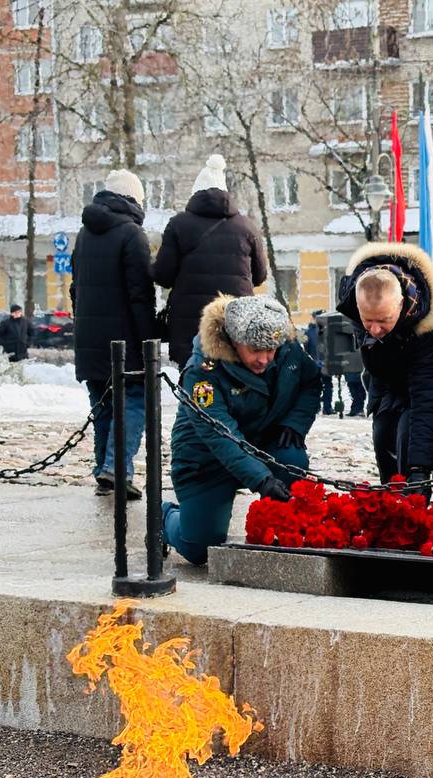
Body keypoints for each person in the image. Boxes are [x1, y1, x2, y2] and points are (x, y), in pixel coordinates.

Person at [164, 294, 320, 565]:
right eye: (255, 350)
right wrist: (262, 480)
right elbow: (221, 435)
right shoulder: (202, 371)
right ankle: (165, 517)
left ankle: (283, 528)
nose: (264, 359)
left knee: (291, 458)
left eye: (270, 350)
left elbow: (311, 381)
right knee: (199, 548)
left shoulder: (285, 348)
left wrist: (295, 423)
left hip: (263, 442)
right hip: (207, 458)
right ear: (234, 341)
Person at [71, 169, 157, 500]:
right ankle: (116, 470)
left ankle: (105, 470)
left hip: (89, 338)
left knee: (103, 407)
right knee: (134, 402)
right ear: (132, 199)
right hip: (125, 341)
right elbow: (140, 295)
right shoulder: (132, 234)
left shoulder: (84, 233)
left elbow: (76, 287)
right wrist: (148, 339)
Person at [336, 242, 433, 488]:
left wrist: (419, 469)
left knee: (409, 445)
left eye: (384, 320)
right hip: (387, 381)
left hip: (430, 383)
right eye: (368, 321)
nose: (375, 330)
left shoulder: (428, 327)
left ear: (401, 305)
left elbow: (427, 398)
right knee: (383, 440)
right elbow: (376, 365)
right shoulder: (356, 303)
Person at [151, 154, 268, 371]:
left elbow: (163, 276)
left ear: (195, 194)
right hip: (235, 318)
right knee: (234, 383)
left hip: (190, 322)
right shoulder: (247, 227)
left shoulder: (178, 225)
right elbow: (260, 275)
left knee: (193, 379)